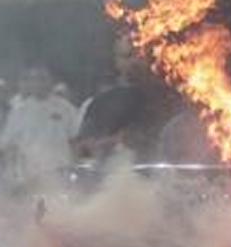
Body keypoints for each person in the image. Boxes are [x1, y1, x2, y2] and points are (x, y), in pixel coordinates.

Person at [75, 34, 180, 163]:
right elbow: (81, 153)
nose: (134, 61)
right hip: (116, 179)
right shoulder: (100, 104)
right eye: (127, 56)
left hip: (160, 179)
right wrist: (114, 142)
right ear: (116, 61)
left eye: (139, 54)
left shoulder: (167, 99)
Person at [1, 65, 80, 187]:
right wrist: (12, 173)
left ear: (51, 81)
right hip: (30, 174)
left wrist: (74, 167)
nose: (38, 83)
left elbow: (74, 140)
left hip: (60, 171)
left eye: (42, 78)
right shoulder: (19, 111)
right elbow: (10, 146)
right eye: (34, 79)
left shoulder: (66, 108)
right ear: (29, 83)